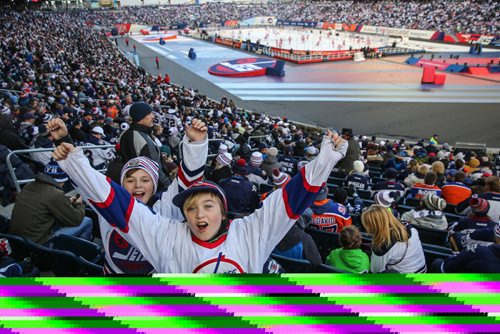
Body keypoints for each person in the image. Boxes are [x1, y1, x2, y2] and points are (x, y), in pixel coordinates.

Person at [52, 130, 347, 273]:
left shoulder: (249, 232)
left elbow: (290, 199)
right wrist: (76, 164)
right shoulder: (167, 235)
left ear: (223, 212)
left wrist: (326, 160)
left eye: (208, 206)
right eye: (191, 208)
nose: (198, 214)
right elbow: (115, 202)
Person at [48, 118, 209, 274]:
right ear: (122, 185)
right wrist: (63, 141)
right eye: (130, 180)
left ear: (154, 185)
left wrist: (196, 144)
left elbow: (187, 181)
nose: (138, 185)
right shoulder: (109, 208)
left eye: (145, 180)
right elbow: (87, 180)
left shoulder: (165, 208)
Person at [8, 160, 93, 245]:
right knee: (87, 221)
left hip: (17, 240)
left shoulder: (28, 185)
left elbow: (44, 201)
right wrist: (79, 204)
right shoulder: (55, 193)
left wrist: (65, 201)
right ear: (62, 180)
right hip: (37, 245)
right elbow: (76, 220)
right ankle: (80, 251)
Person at [119, 102, 171, 190]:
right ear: (140, 118)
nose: (153, 117)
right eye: (149, 114)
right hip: (151, 188)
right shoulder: (140, 137)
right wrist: (168, 186)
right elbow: (154, 168)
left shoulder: (129, 134)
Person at [361, 205, 427, 273]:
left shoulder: (383, 247)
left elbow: (375, 271)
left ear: (373, 226)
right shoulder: (410, 228)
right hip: (423, 272)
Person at [432, 224, 500, 273]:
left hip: (468, 290)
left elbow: (444, 268)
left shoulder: (479, 252)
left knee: (437, 263)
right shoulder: (480, 252)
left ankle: (422, 289)